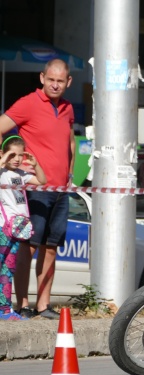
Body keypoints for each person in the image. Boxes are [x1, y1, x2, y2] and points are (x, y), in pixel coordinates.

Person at [0, 58, 76, 320]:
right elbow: (1, 128)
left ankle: (43, 305)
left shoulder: (67, 108)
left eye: (60, 81)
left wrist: (70, 175)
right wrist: (7, 165)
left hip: (61, 189)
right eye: (51, 79)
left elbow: (70, 141)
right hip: (34, 188)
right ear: (42, 78)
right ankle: (21, 303)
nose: (55, 85)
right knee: (28, 247)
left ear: (69, 82)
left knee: (51, 247)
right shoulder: (28, 103)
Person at [0, 136, 47, 320]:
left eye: (21, 155)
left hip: (18, 229)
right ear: (4, 154)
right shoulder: (3, 172)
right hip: (3, 227)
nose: (17, 159)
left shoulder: (21, 174)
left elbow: (42, 180)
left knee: (8, 268)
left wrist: (35, 165)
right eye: (13, 154)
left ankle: (4, 309)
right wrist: (3, 159)